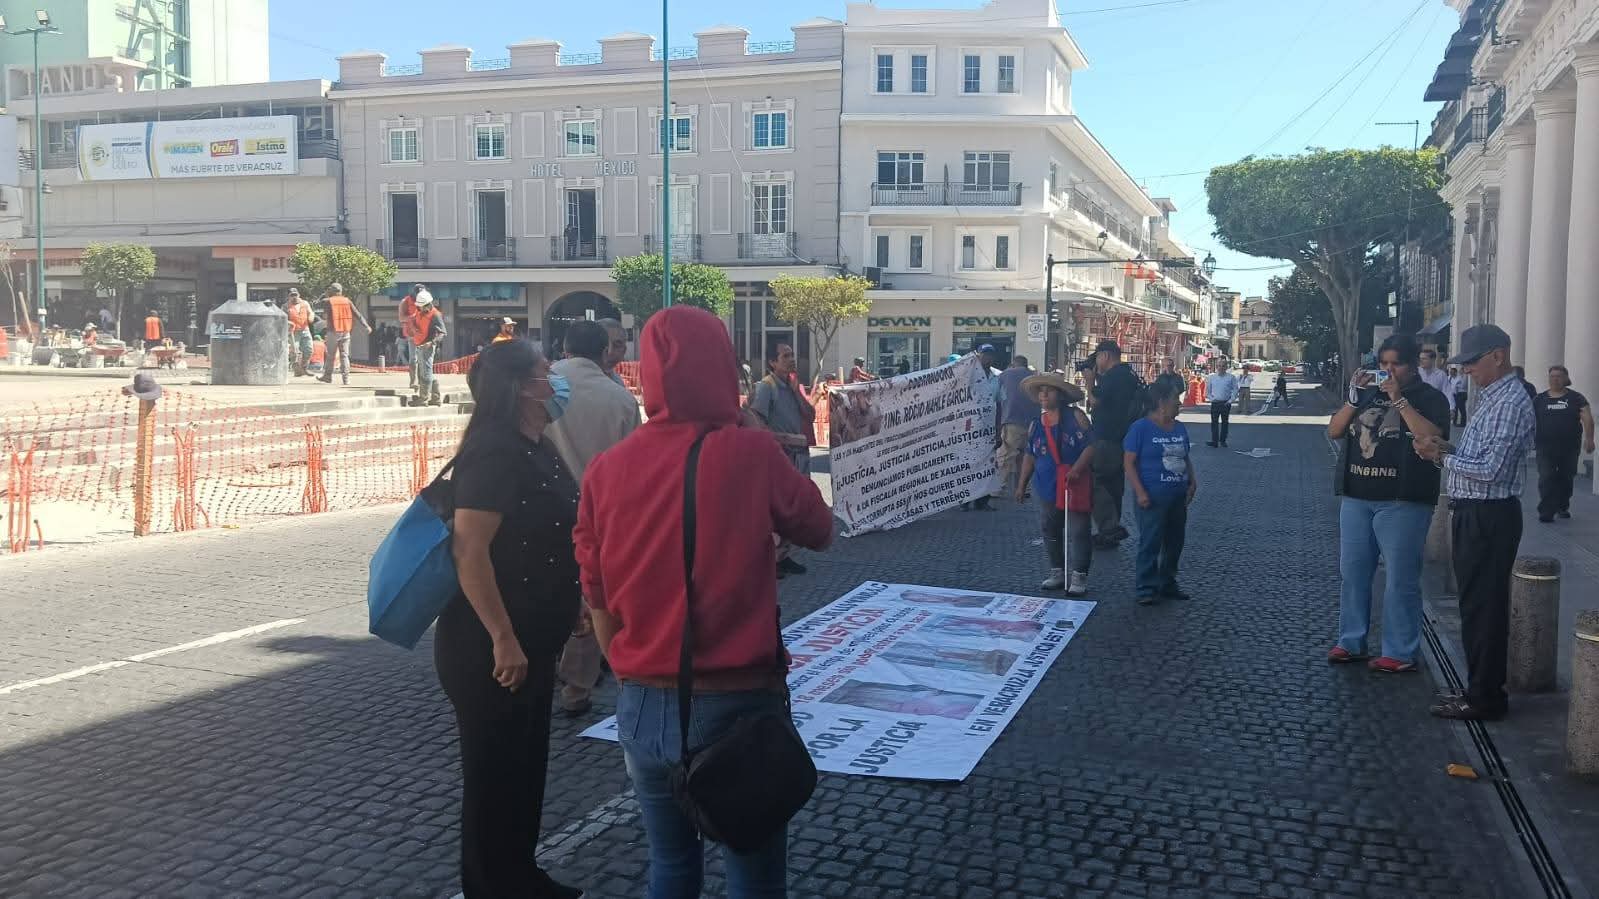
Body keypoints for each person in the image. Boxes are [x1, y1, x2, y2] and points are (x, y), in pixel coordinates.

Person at [573, 305, 833, 898]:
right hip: (738, 698)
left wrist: (628, 661)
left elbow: (594, 583)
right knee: (752, 866)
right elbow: (820, 526)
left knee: (670, 863)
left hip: (640, 700)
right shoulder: (750, 452)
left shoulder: (607, 470)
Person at [433, 340, 583, 899]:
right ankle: (491, 885)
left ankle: (521, 874)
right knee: (494, 777)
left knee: (525, 771)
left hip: (534, 638)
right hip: (489, 648)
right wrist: (502, 638)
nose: (556, 382)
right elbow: (469, 551)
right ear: (521, 387)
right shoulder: (494, 451)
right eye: (548, 374)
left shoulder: (537, 445)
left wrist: (575, 608)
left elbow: (547, 540)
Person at [1414, 324, 1536, 721]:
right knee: (1476, 607)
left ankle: (1485, 698)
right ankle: (1478, 689)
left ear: (1498, 356)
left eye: (1472, 363)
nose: (1466, 371)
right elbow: (1477, 455)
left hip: (1489, 515)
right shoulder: (1493, 397)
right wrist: (1445, 447)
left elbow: (1491, 471)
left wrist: (1440, 458)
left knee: (1484, 610)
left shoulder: (1510, 402)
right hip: (1478, 513)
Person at [1325, 334, 1449, 673]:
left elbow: (1431, 437)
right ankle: (1351, 641)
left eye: (1396, 364)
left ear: (1413, 366)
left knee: (1400, 578)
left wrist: (1399, 401)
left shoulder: (1430, 397)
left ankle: (1400, 651)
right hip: (1357, 497)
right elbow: (1334, 431)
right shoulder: (1366, 394)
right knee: (1352, 572)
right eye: (1383, 364)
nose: (1388, 370)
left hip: (1403, 500)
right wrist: (1353, 398)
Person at [545, 320, 641, 717]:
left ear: (565, 347)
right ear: (604, 352)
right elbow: (635, 466)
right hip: (600, 514)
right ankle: (576, 689)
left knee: (544, 590)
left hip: (544, 508)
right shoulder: (619, 400)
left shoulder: (542, 385)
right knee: (588, 595)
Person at [1014, 372, 1093, 595]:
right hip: (1047, 485)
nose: (1044, 394)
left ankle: (1079, 575)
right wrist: (1021, 484)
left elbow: (1090, 446)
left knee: (1078, 530)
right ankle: (1057, 571)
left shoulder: (1076, 417)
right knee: (1050, 528)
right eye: (1041, 391)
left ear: (1060, 395)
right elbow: (1030, 455)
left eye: (1049, 390)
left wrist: (1077, 469)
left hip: (1074, 483)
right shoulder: (1036, 424)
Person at [1124, 380, 1196, 604]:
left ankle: (1167, 582)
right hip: (1152, 497)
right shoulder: (1140, 428)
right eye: (1176, 398)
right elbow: (1129, 463)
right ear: (1161, 402)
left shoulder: (1179, 427)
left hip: (1177, 497)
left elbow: (1185, 456)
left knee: (1175, 542)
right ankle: (1145, 587)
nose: (1179, 403)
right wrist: (1140, 492)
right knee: (1151, 542)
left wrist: (1192, 480)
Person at [750, 343, 817, 577]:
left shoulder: (791, 386)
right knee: (777, 510)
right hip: (782, 455)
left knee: (793, 509)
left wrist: (796, 392)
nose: (791, 359)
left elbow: (811, 414)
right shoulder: (766, 387)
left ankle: (784, 556)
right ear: (772, 362)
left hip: (798, 455)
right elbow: (756, 419)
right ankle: (771, 559)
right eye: (785, 356)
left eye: (792, 355)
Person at [1087, 340, 1143, 549]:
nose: (1096, 362)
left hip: (1107, 437)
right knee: (1113, 485)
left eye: (1097, 357)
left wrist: (1090, 381)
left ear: (1106, 356)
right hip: (1122, 437)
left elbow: (1095, 401)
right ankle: (1110, 531)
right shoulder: (1128, 374)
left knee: (1096, 480)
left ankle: (1109, 528)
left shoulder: (1113, 376)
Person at [1532, 365, 1595, 523]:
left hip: (1569, 447)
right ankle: (1546, 511)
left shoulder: (1576, 398)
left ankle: (1562, 505)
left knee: (1566, 477)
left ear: (1566, 378)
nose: (1555, 379)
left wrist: (1589, 439)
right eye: (1552, 376)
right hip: (1545, 446)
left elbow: (1587, 417)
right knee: (1547, 476)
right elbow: (1528, 420)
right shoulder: (1539, 399)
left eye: (1559, 376)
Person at [996, 355, 1040, 499]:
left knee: (1006, 455)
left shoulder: (1006, 374)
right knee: (1025, 456)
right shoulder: (1034, 376)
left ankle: (998, 487)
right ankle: (1023, 488)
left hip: (1012, 418)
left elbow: (996, 394)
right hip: (1032, 422)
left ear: (1013, 364)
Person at [317, 283, 371, 386]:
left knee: (330, 355)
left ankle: (327, 376)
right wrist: (366, 326)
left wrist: (325, 294)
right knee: (344, 356)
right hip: (346, 331)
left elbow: (317, 303)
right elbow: (358, 314)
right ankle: (346, 379)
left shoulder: (328, 301)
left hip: (333, 331)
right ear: (341, 291)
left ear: (332, 291)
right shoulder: (347, 301)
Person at [409, 291, 447, 406]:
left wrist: (432, 343)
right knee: (427, 372)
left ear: (428, 304)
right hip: (420, 345)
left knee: (425, 373)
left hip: (427, 346)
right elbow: (416, 322)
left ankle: (423, 399)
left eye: (421, 307)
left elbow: (443, 333)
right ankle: (435, 398)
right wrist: (414, 328)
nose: (419, 309)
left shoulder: (435, 315)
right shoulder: (420, 312)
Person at [1203, 358, 1239, 448]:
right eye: (1219, 366)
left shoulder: (1231, 377)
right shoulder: (1211, 377)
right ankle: (1214, 441)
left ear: (1226, 367)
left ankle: (1222, 440)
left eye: (1223, 366)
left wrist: (1230, 400)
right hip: (1215, 403)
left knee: (1225, 422)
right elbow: (1207, 391)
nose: (1221, 368)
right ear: (1216, 367)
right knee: (1214, 422)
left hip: (1225, 403)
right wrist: (1212, 399)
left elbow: (1235, 390)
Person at [1417, 347, 1454, 417]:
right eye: (1420, 358)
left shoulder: (1441, 375)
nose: (1421, 361)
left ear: (1433, 359)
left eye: (1424, 359)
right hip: (1417, 411)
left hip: (1434, 410)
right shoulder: (1415, 373)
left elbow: (1447, 392)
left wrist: (1451, 408)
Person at [285, 289, 314, 377]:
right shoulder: (285, 306)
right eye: (292, 295)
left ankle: (304, 368)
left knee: (309, 349)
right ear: (289, 296)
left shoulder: (305, 303)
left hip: (305, 329)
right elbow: (282, 318)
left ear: (299, 295)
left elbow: (311, 312)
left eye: (295, 295)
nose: (294, 297)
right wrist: (288, 323)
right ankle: (297, 370)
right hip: (293, 332)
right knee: (294, 351)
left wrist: (311, 317)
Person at [597, 318, 629, 386]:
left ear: (624, 351)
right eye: (603, 344)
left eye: (617, 345)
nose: (610, 351)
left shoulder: (618, 382)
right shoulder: (572, 380)